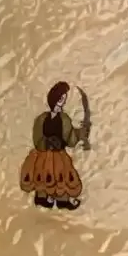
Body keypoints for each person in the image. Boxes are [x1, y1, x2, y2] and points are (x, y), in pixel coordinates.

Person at [19, 82, 84, 210]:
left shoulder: (64, 119)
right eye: (61, 98)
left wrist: (79, 133)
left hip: (59, 154)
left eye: (64, 98)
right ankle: (42, 198)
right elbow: (37, 138)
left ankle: (62, 200)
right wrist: (47, 142)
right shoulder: (42, 118)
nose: (62, 101)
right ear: (54, 98)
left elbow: (70, 139)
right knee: (43, 175)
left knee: (61, 176)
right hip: (44, 154)